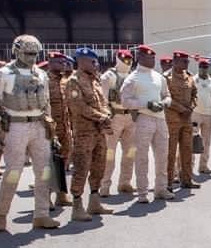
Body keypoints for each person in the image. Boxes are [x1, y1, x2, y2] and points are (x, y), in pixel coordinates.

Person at [0, 35, 60, 231]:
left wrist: (53, 132)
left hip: (39, 125)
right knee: (13, 171)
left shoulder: (41, 74)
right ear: (17, 51)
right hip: (16, 126)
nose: (32, 58)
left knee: (43, 171)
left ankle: (41, 214)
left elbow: (47, 104)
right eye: (28, 53)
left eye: (35, 54)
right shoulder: (4, 74)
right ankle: (0, 214)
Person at [120, 45, 174, 203]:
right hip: (143, 119)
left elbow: (167, 96)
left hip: (161, 119)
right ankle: (143, 192)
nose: (152, 60)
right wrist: (145, 104)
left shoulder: (159, 77)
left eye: (153, 57)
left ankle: (161, 189)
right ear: (140, 58)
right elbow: (125, 101)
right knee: (142, 157)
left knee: (162, 156)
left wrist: (163, 104)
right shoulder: (133, 78)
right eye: (149, 57)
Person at [66, 47, 114, 221]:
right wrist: (101, 117)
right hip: (84, 133)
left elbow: (103, 102)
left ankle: (94, 202)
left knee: (98, 166)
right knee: (81, 168)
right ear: (81, 61)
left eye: (95, 61)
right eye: (91, 61)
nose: (95, 64)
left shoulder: (95, 80)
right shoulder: (74, 81)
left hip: (99, 132)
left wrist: (107, 114)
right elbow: (78, 106)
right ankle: (77, 206)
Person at [100, 49, 136, 196]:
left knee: (130, 152)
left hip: (131, 118)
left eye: (129, 58)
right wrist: (106, 118)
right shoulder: (108, 76)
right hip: (114, 117)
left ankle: (125, 182)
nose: (127, 61)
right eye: (124, 58)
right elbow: (103, 100)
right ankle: (104, 185)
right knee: (109, 153)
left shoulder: (133, 76)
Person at [164, 51, 200, 192]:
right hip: (173, 119)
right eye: (184, 61)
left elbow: (195, 94)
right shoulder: (166, 78)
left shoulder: (189, 77)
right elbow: (165, 97)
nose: (186, 64)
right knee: (171, 152)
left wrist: (191, 107)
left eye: (187, 62)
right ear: (175, 61)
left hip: (187, 119)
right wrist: (181, 109)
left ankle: (187, 180)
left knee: (187, 150)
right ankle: (168, 182)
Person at [47, 51, 74, 207]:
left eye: (64, 63)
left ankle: (61, 195)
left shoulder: (65, 82)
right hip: (50, 130)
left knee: (62, 162)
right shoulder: (43, 81)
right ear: (50, 63)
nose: (63, 65)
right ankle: (46, 198)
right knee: (49, 164)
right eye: (59, 62)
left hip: (65, 128)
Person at [192, 58, 211, 175]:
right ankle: (188, 167)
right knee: (192, 141)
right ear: (198, 67)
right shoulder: (193, 80)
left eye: (205, 67)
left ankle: (203, 166)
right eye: (202, 67)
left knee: (206, 142)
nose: (204, 69)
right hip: (195, 114)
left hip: (208, 115)